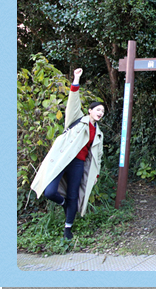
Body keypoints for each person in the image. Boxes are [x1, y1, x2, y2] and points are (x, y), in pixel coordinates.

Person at [31, 68, 104, 240]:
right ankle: (63, 204)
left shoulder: (99, 133)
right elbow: (73, 102)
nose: (100, 113)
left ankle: (68, 229)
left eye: (102, 111)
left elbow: (97, 157)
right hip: (63, 160)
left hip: (79, 164)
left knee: (73, 194)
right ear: (90, 111)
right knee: (49, 191)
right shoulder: (77, 119)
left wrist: (96, 174)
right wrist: (76, 79)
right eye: (97, 110)